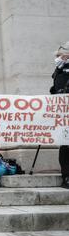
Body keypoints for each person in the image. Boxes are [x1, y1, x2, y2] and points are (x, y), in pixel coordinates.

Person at [50, 42, 69, 189]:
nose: (59, 57)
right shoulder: (59, 70)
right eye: (58, 55)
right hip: (64, 113)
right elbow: (56, 87)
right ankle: (66, 176)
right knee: (65, 145)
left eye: (61, 55)